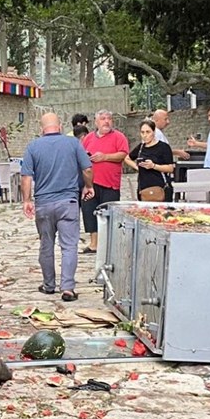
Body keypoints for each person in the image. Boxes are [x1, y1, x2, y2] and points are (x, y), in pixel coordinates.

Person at [21, 112, 94, 301]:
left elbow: (26, 176)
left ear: (41, 128)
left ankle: (48, 285)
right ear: (60, 126)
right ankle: (68, 288)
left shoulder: (33, 146)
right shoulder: (72, 143)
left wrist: (27, 200)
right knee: (69, 245)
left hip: (44, 204)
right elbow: (87, 168)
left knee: (46, 245)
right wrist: (88, 186)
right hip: (68, 202)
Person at [80, 109, 129, 254]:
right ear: (96, 122)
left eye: (109, 118)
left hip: (110, 183)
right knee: (89, 211)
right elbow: (81, 155)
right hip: (91, 183)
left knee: (109, 214)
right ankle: (94, 243)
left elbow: (122, 155)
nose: (106, 121)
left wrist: (104, 157)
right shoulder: (88, 138)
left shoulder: (119, 137)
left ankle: (108, 244)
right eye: (102, 118)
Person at [124, 119, 176, 201]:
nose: (145, 135)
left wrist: (154, 166)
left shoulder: (163, 147)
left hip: (160, 187)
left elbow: (170, 168)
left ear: (154, 132)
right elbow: (127, 158)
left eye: (148, 132)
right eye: (142, 132)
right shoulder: (141, 147)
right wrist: (138, 167)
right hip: (143, 187)